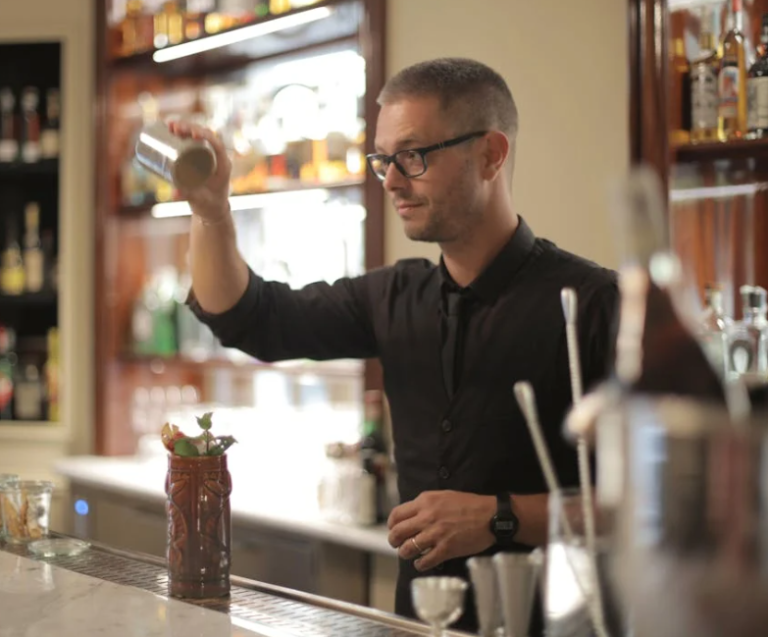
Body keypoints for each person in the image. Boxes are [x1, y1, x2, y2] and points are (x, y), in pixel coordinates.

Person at [170, 57, 618, 634]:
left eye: (412, 155)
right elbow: (249, 319)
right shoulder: (392, 296)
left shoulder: (595, 304)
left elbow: (656, 511)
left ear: (490, 153)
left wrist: (500, 517)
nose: (390, 180)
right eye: (383, 159)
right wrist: (212, 212)